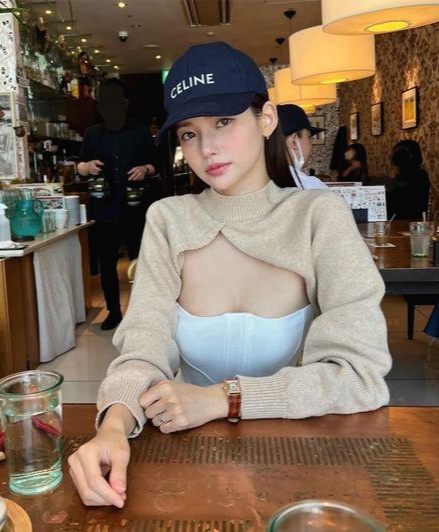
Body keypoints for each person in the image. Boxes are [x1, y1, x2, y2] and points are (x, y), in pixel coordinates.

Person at [68, 42, 392, 508]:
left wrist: (225, 398)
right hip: (189, 465)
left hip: (299, 464)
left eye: (223, 121)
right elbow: (144, 347)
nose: (207, 148)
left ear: (266, 119)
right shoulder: (169, 220)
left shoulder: (317, 217)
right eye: (189, 133)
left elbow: (360, 377)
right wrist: (114, 425)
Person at [77, 79, 158, 330]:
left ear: (125, 103)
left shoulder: (140, 132)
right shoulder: (93, 133)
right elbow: (80, 166)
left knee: (141, 262)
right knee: (108, 265)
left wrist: (145, 169)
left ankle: (144, 312)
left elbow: (156, 165)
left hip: (136, 208)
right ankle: (113, 311)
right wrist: (87, 167)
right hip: (105, 210)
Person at [277, 104, 328, 190]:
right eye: (309, 137)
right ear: (294, 142)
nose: (311, 145)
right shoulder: (312, 187)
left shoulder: (260, 182)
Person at [386, 140, 430, 220]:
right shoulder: (400, 175)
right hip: (395, 220)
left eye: (402, 153)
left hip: (413, 219)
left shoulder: (421, 174)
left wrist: (392, 183)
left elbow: (412, 198)